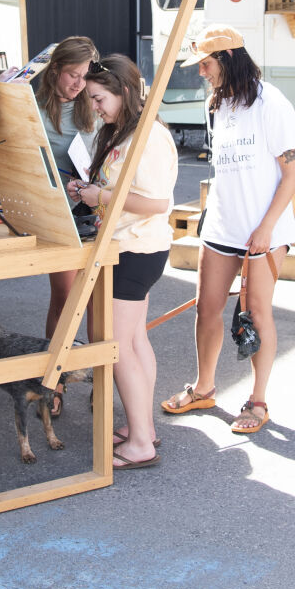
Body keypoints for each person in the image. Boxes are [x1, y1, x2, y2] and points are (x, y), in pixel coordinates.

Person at [160, 26, 295, 437]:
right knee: (206, 309)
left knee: (256, 313)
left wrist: (266, 228)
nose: (200, 71)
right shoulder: (215, 103)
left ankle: (258, 401)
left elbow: (291, 173)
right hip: (222, 225)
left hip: (264, 230)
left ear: (227, 59)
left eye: (205, 63)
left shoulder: (271, 102)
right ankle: (204, 387)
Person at [66, 55, 176, 470]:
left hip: (135, 249)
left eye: (99, 99)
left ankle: (141, 444)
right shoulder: (125, 131)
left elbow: (156, 202)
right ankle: (141, 429)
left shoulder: (146, 136)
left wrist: (102, 197)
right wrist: (93, 191)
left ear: (124, 92)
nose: (94, 107)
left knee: (120, 347)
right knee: (132, 343)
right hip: (130, 247)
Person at [35, 37, 98, 339]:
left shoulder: (94, 107)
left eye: (85, 77)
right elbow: (4, 153)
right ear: (55, 69)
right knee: (66, 298)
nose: (79, 84)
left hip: (96, 209)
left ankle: (92, 377)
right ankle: (54, 380)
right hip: (60, 211)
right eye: (73, 75)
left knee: (98, 302)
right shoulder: (35, 109)